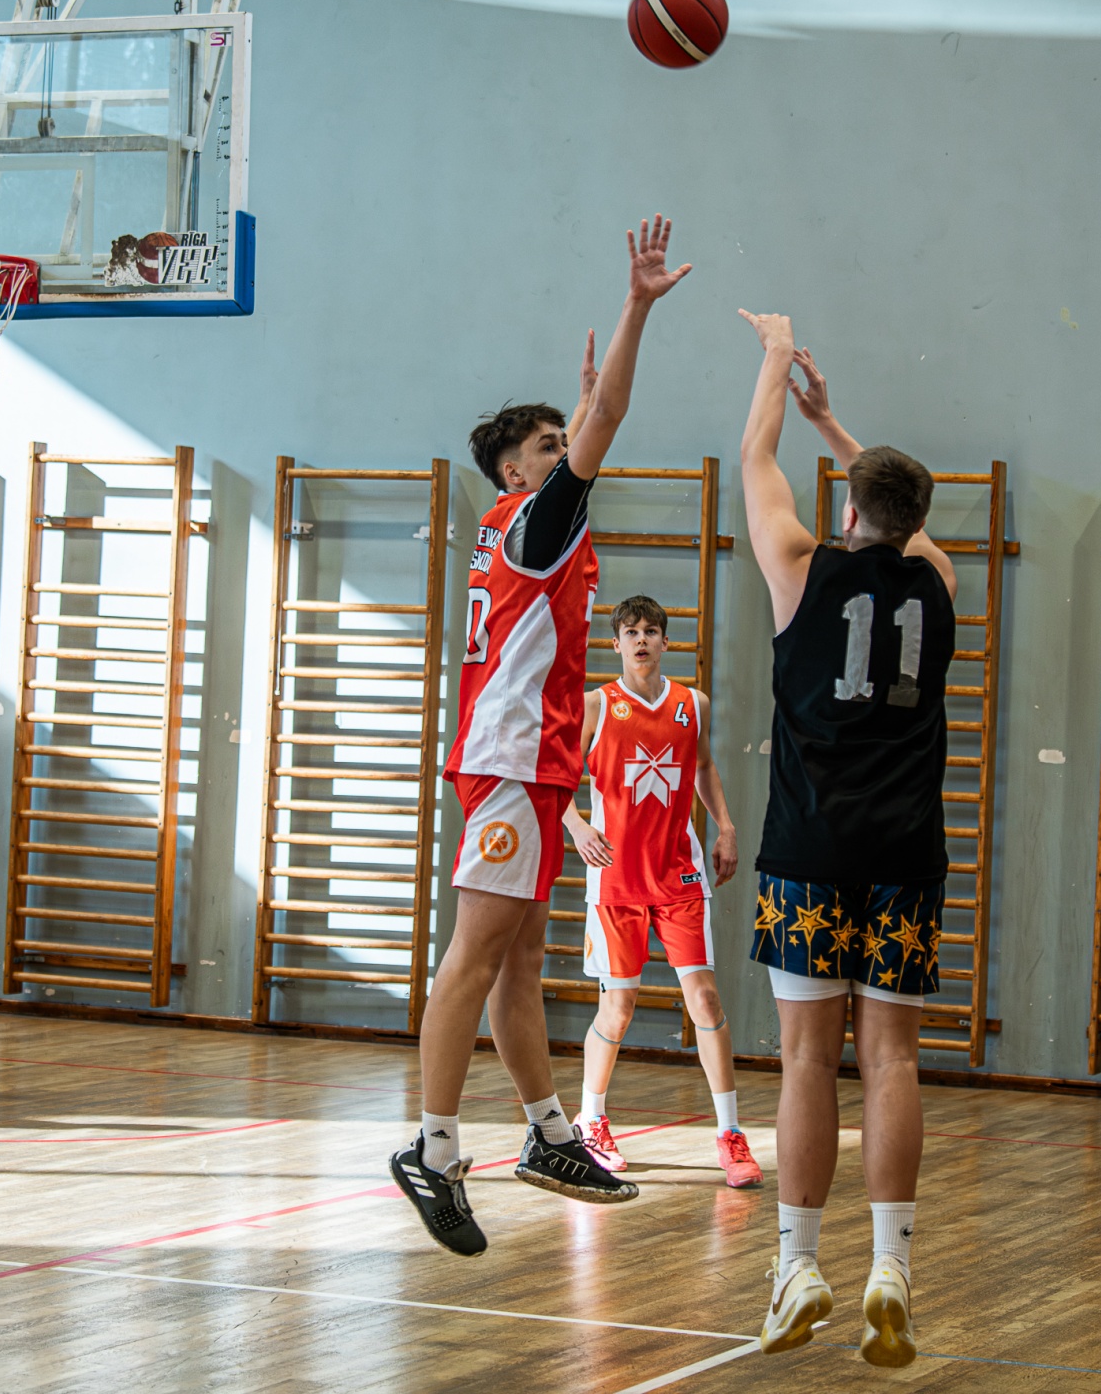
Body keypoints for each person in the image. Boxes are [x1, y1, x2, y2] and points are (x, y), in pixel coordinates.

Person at [389, 216, 691, 1257]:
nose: (565, 451)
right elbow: (611, 417)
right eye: (547, 446)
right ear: (514, 474)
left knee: (520, 963)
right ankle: (432, 1148)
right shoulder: (535, 519)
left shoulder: (524, 533)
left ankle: (549, 1135)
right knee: (476, 955)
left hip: (534, 762)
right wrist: (638, 307)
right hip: (513, 761)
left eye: (564, 438)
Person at [735, 313, 956, 1367]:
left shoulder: (798, 564)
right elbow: (906, 519)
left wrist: (778, 359)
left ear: (851, 511)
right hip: (906, 855)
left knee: (807, 1061)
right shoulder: (939, 584)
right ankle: (891, 1268)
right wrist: (840, 429)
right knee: (894, 1059)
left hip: (809, 853)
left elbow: (755, 458)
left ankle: (798, 1265)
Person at [560, 593, 761, 1189]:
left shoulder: (692, 704)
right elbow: (559, 776)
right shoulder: (597, 704)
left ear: (666, 642)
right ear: (616, 643)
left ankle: (730, 1134)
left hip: (678, 875)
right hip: (616, 877)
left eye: (651, 631)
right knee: (618, 1008)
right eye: (631, 632)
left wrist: (725, 827)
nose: (641, 639)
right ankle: (591, 1120)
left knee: (706, 1001)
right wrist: (576, 826)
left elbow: (703, 767)